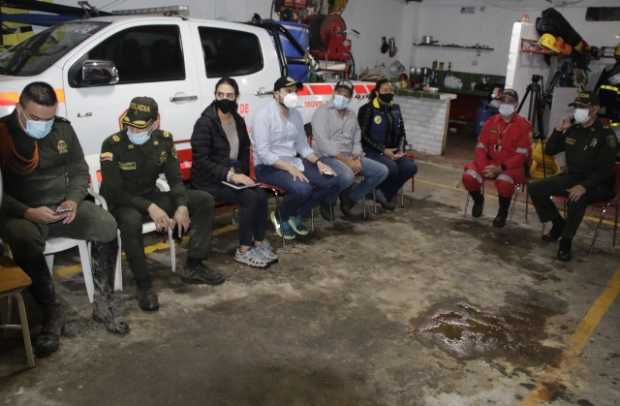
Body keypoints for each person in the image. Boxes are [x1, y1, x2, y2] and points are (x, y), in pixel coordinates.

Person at [0, 82, 128, 358]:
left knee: (106, 225)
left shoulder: (62, 128)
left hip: (63, 208)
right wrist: (27, 212)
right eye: (36, 118)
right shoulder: (3, 134)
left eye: (49, 118)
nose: (43, 125)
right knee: (22, 238)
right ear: (20, 108)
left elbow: (80, 170)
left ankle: (103, 303)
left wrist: (72, 200)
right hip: (23, 212)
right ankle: (50, 311)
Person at [100, 97, 225, 312]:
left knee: (203, 200)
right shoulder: (112, 144)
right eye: (130, 125)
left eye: (141, 128)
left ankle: (194, 264)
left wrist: (182, 205)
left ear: (155, 123)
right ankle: (144, 285)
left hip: (151, 195)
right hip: (122, 201)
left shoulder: (164, 140)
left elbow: (175, 180)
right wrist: (151, 207)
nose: (134, 131)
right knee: (131, 221)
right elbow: (114, 190)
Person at [191, 77, 276, 268]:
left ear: (236, 97)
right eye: (220, 94)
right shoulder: (205, 123)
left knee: (260, 194)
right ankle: (243, 251)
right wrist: (231, 176)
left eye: (229, 95)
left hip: (230, 176)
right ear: (215, 95)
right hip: (209, 181)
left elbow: (245, 149)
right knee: (249, 198)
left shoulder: (237, 119)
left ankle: (259, 242)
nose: (224, 98)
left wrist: (243, 174)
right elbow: (202, 161)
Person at [529, 92, 617, 261]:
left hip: (599, 184)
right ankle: (558, 223)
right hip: (573, 177)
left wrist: (584, 186)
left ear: (595, 109)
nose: (578, 110)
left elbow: (606, 170)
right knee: (536, 187)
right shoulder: (573, 130)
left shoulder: (606, 135)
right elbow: (550, 150)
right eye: (576, 107)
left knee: (576, 198)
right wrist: (559, 130)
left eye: (583, 107)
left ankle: (566, 241)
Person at [251, 76, 340, 240]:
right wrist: (289, 168)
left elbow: (302, 146)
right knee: (303, 189)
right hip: (267, 167)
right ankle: (280, 215)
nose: (293, 95)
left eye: (294, 91)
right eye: (288, 91)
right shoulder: (263, 116)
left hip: (293, 162)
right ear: (276, 94)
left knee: (331, 181)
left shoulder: (296, 115)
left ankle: (296, 214)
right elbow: (264, 153)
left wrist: (319, 162)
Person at [311, 80, 388, 218]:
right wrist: (346, 161)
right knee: (347, 176)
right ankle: (327, 201)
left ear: (350, 98)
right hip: (327, 157)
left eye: (347, 95)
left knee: (381, 171)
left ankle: (350, 199)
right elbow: (324, 144)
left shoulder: (351, 114)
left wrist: (357, 156)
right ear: (334, 93)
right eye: (340, 93)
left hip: (350, 156)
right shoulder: (322, 112)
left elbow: (357, 138)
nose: (343, 97)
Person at [462, 89, 532, 228]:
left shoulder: (524, 125)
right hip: (488, 163)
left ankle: (502, 212)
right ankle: (478, 200)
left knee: (504, 181)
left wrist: (500, 168)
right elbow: (480, 147)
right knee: (468, 177)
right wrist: (483, 168)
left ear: (516, 105)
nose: (505, 104)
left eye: (510, 102)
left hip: (511, 167)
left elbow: (521, 155)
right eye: (503, 101)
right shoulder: (491, 121)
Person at [358, 78, 418, 211]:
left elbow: (402, 132)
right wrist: (383, 150)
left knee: (410, 167)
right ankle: (382, 195)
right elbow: (363, 136)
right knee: (392, 168)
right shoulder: (367, 109)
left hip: (394, 152)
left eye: (391, 90)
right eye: (385, 90)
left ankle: (383, 194)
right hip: (372, 151)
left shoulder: (395, 109)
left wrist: (401, 151)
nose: (389, 93)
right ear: (377, 93)